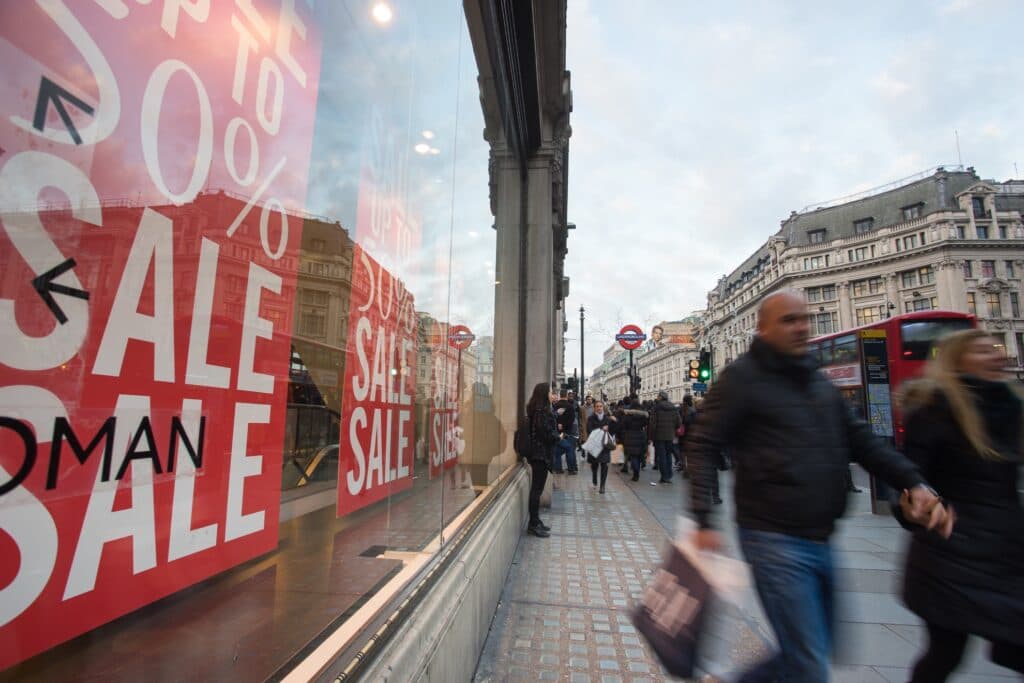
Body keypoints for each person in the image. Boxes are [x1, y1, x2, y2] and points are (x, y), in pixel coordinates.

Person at [688, 290, 953, 682]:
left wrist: (913, 482)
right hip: (771, 536)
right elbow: (704, 443)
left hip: (821, 535)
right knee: (808, 664)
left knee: (816, 649)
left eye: (803, 318)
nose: (800, 327)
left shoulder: (817, 379)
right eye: (788, 320)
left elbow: (861, 439)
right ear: (762, 328)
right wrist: (703, 518)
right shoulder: (743, 377)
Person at [897, 329, 1024, 681]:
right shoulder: (934, 410)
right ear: (957, 360)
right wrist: (914, 507)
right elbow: (910, 476)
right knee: (944, 654)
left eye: (995, 348)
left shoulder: (1010, 407)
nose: (996, 355)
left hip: (1003, 552)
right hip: (949, 554)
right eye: (984, 351)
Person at [525, 382, 559, 538]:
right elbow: (545, 433)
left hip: (539, 454)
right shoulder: (541, 411)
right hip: (540, 455)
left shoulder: (538, 410)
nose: (552, 395)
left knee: (537, 489)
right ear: (544, 393)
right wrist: (557, 435)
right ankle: (533, 523)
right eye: (550, 392)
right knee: (536, 490)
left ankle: (536, 520)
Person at [648, 390, 681, 484]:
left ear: (660, 397)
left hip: (659, 436)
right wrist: (672, 429)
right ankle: (669, 475)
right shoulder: (673, 407)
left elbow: (653, 423)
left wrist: (651, 436)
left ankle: (664, 477)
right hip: (670, 435)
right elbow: (679, 422)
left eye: (658, 396)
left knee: (662, 456)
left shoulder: (656, 407)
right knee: (668, 455)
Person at [586, 400, 617, 493]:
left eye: (601, 406)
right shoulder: (591, 418)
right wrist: (601, 428)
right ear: (594, 408)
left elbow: (614, 431)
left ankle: (602, 486)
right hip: (594, 445)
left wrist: (615, 422)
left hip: (604, 445)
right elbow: (589, 430)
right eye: (597, 406)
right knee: (594, 464)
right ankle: (594, 476)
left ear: (603, 408)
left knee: (604, 464)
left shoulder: (608, 418)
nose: (599, 408)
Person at [618, 395, 650, 481]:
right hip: (640, 435)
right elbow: (646, 423)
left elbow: (623, 425)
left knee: (633, 456)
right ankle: (637, 471)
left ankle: (636, 473)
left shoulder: (627, 415)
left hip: (630, 436)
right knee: (639, 454)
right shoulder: (643, 415)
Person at [552, 391, 579, 474]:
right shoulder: (570, 406)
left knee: (557, 451)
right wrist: (564, 426)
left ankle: (558, 468)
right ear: (566, 396)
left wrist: (559, 425)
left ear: (560, 395)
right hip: (568, 432)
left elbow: (553, 418)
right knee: (569, 450)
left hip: (557, 432)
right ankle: (571, 469)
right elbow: (571, 420)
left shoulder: (555, 406)